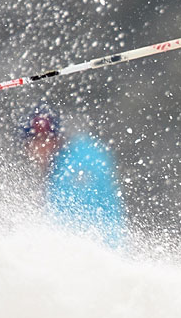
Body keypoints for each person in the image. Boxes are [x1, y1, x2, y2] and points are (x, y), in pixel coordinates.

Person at [19, 102, 127, 246]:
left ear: (58, 138)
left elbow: (69, 221)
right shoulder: (64, 161)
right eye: (35, 140)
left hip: (97, 251)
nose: (41, 147)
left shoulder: (76, 163)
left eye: (47, 138)